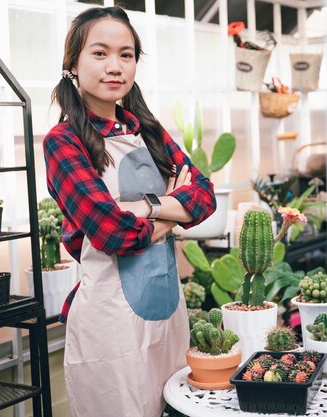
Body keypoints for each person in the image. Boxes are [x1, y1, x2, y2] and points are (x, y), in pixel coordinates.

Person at [43, 6, 216, 417]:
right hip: (109, 325)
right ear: (73, 64)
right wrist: (174, 210)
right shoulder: (64, 142)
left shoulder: (148, 131)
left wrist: (140, 208)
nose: (115, 66)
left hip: (169, 313)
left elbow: (205, 194)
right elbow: (112, 233)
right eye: (100, 53)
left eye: (127, 54)